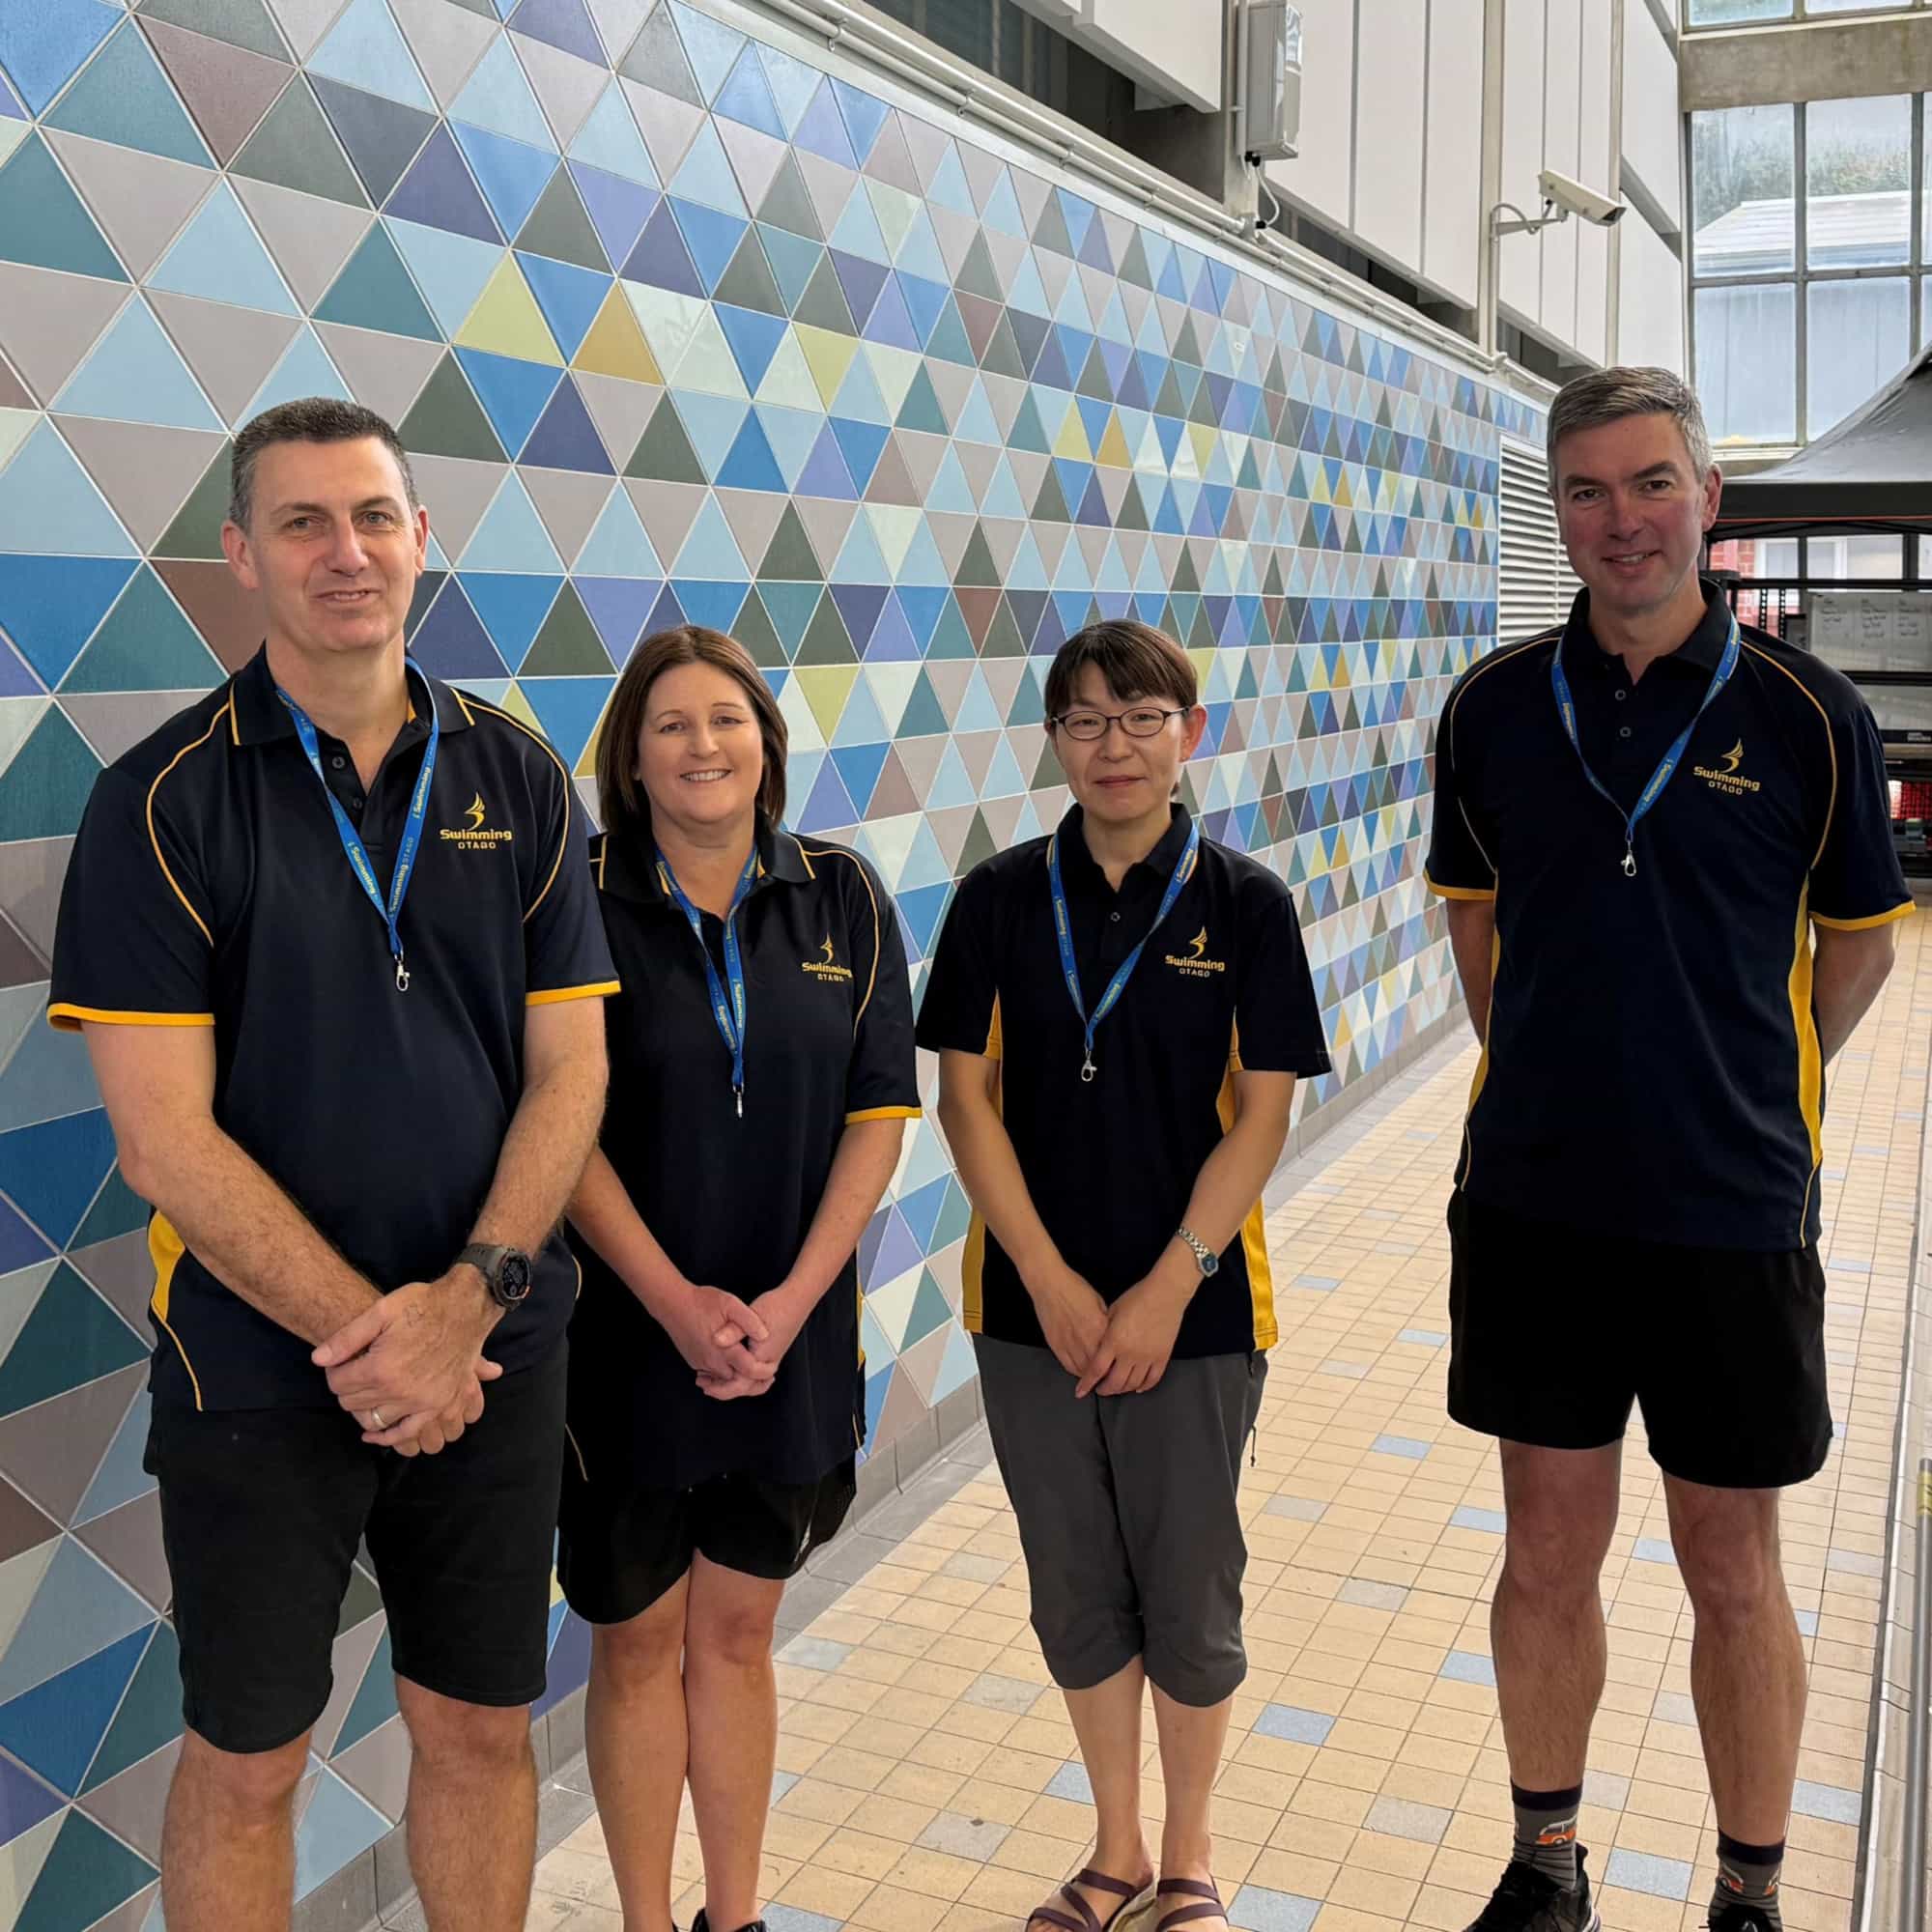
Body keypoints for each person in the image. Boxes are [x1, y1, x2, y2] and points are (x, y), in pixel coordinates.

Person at [46, 397, 618, 1932]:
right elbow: (162, 1139)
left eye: (372, 517)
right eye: (301, 522)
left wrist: (464, 1307)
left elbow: (573, 1069)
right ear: (242, 555)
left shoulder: (520, 774)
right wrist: (379, 1339)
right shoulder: (160, 800)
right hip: (255, 1365)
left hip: (493, 1350)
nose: (344, 551)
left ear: (422, 539)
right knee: (248, 1765)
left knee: (479, 1730)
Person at [1426, 366, 1911, 1932]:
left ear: (1709, 499)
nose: (1620, 520)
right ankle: (1545, 1864)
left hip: (1731, 1208)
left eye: (1650, 484)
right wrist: (1562, 1071)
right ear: (1557, 509)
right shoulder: (1494, 709)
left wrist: (1742, 1077)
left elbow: (1859, 947)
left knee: (1733, 1560)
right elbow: (1478, 931)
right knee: (1544, 1549)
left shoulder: (1808, 717)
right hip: (1536, 1205)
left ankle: (1749, 1892)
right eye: (1586, 490)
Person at [917, 619, 1331, 1932]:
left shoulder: (1245, 905)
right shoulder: (999, 899)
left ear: (1189, 733)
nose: (1116, 746)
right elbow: (966, 1099)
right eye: (1087, 720)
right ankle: (1114, 1851)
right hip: (1028, 1314)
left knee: (1191, 1585)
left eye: (1143, 717)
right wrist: (1048, 1279)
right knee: (1075, 1583)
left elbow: (1263, 1114)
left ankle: (1192, 1858)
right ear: (1054, 740)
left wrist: (1165, 1288)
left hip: (1196, 1314)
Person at [559, 624, 920, 1932]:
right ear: (631, 758)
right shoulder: (576, 896)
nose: (701, 746)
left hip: (788, 1336)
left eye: (726, 720)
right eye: (670, 725)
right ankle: (645, 1922)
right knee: (636, 1641)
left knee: (738, 1637)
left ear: (767, 743)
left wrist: (792, 1303)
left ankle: (735, 1915)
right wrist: (674, 1304)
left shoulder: (841, 894)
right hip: (625, 1339)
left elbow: (879, 1113)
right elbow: (560, 1125)